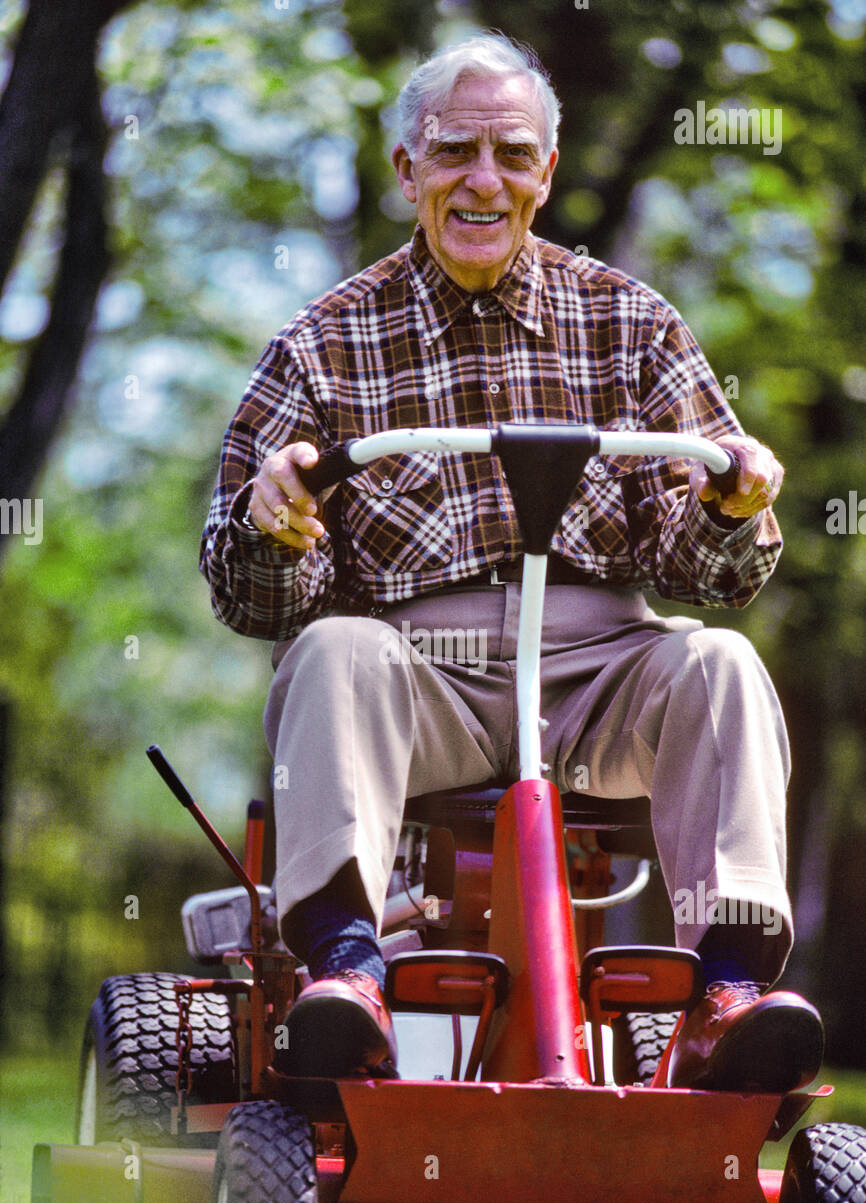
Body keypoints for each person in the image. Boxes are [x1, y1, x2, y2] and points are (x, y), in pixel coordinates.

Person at [201, 33, 824, 1092]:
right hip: (417, 680)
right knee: (331, 647)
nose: (482, 181)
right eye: (452, 153)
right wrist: (271, 520)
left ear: (545, 166)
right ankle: (347, 977)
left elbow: (714, 572)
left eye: (511, 153)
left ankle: (725, 994)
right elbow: (241, 589)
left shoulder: (630, 322)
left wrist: (734, 502)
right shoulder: (322, 343)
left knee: (718, 659)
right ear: (407, 171)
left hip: (597, 673)